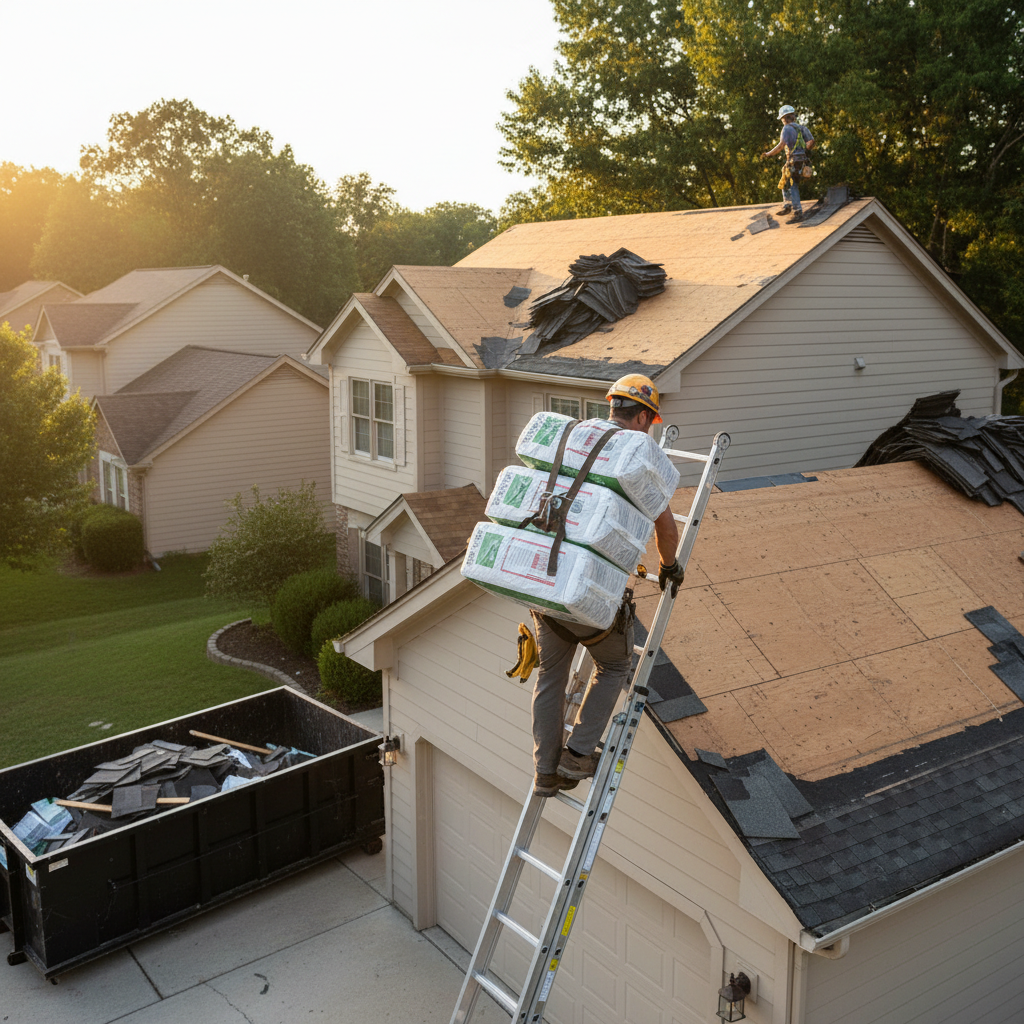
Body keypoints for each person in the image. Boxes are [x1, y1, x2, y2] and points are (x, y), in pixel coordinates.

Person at [530, 374, 683, 797]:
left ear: (611, 407)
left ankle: (545, 771)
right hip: (591, 595)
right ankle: (577, 755)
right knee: (615, 665)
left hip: (546, 582)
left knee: (550, 676)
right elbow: (667, 530)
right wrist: (669, 566)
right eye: (649, 422)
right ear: (641, 417)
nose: (648, 430)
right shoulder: (635, 454)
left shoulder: (576, 438)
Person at [762, 104, 815, 223]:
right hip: (802, 161)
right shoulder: (802, 128)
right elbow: (811, 142)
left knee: (789, 182)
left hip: (793, 160)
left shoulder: (786, 129)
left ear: (784, 118)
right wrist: (802, 150)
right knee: (790, 182)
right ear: (793, 116)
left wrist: (769, 154)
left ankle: (795, 210)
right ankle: (789, 206)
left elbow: (781, 146)